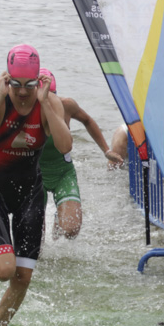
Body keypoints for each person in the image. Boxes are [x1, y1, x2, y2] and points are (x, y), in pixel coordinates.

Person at [0, 44, 72, 326]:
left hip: (31, 195)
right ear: (7, 79)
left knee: (22, 277)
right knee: (4, 271)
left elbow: (65, 146)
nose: (23, 92)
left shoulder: (49, 101)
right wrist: (0, 96)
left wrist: (47, 104)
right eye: (16, 84)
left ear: (38, 82)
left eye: (30, 85)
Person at [38, 69, 124, 238]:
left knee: (70, 230)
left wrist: (106, 150)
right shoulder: (24, 112)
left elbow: (87, 120)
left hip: (63, 173)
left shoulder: (66, 105)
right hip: (35, 175)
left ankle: (59, 217)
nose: (49, 101)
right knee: (35, 247)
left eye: (52, 95)